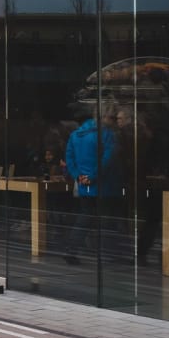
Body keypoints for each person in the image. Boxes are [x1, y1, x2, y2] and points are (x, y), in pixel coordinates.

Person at [63, 107, 119, 265]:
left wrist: (78, 176)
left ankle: (72, 248)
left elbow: (69, 157)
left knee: (85, 216)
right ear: (104, 118)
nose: (114, 121)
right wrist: (93, 176)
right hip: (104, 184)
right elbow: (109, 159)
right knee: (108, 219)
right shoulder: (108, 135)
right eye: (112, 118)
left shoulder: (76, 135)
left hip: (84, 184)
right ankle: (108, 251)